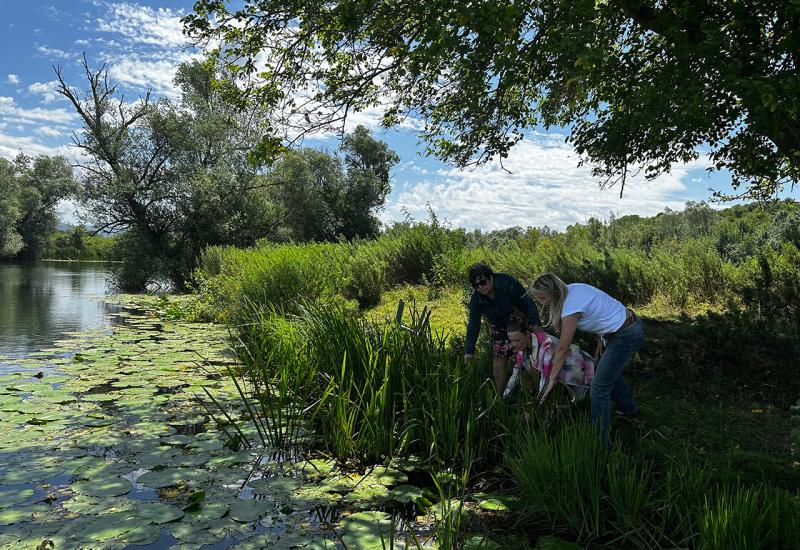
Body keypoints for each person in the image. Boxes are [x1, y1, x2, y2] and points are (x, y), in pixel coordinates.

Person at [528, 273, 643, 445]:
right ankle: (630, 409)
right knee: (604, 371)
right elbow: (600, 309)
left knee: (598, 388)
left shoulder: (570, 308)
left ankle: (602, 443)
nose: (540, 302)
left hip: (626, 335)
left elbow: (563, 348)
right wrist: (601, 337)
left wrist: (552, 378)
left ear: (554, 293)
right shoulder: (573, 288)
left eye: (542, 297)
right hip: (620, 330)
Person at [464, 263, 540, 393]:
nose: (480, 287)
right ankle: (499, 396)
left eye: (483, 282)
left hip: (519, 320)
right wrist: (469, 351)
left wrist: (535, 325)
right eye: (476, 285)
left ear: (491, 278)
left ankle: (532, 394)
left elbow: (527, 302)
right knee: (499, 356)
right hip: (499, 325)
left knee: (529, 358)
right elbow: (473, 324)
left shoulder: (508, 283)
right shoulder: (476, 300)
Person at [503, 312, 594, 401]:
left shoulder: (546, 345)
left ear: (527, 333)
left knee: (582, 404)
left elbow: (545, 378)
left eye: (518, 340)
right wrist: (504, 397)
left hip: (586, 373)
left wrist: (539, 404)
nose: (514, 344)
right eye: (512, 341)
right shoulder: (522, 349)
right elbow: (516, 372)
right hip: (569, 376)